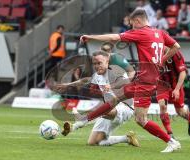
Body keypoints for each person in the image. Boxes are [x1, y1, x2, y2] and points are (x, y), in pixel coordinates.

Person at [63, 9, 182, 153]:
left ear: (137, 21)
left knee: (141, 120)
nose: (131, 28)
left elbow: (114, 37)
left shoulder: (141, 32)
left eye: (132, 24)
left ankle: (171, 142)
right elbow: (176, 46)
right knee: (115, 99)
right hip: (144, 78)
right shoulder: (160, 33)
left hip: (146, 82)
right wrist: (161, 60)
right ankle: (81, 122)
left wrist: (91, 37)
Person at [62, 51, 140, 147]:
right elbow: (85, 80)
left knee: (104, 109)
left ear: (107, 62)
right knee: (93, 142)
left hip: (125, 107)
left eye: (99, 63)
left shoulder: (115, 69)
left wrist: (112, 85)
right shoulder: (97, 76)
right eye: (94, 64)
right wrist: (67, 85)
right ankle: (127, 138)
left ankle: (76, 125)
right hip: (108, 108)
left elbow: (125, 81)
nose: (97, 66)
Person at [135, 49, 190, 138]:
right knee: (162, 106)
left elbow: (183, 72)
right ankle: (170, 133)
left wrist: (177, 89)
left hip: (175, 85)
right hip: (162, 85)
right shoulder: (155, 52)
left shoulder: (176, 54)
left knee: (180, 111)